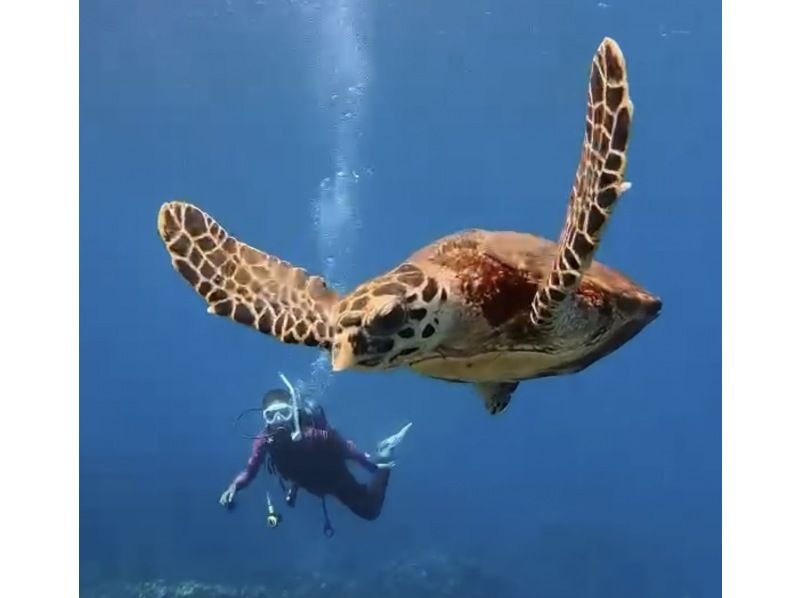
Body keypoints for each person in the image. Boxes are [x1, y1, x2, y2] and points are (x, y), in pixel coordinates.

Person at [219, 377, 412, 535]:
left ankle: (386, 452)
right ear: (264, 418)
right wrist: (234, 487)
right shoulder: (263, 441)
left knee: (370, 511)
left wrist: (377, 466)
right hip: (308, 482)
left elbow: (348, 451)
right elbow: (250, 471)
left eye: (284, 413)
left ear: (293, 412)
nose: (278, 421)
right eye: (271, 416)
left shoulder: (314, 435)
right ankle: (383, 459)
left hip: (336, 480)